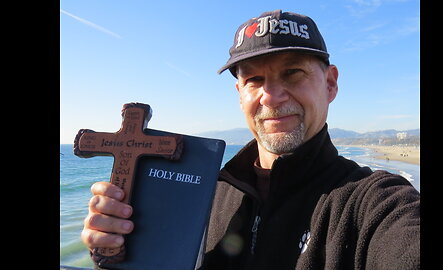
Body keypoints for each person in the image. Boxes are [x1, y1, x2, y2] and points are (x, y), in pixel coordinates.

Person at [81, 10, 420, 269]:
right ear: (239, 93)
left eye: (292, 72)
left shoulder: (373, 203)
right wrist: (117, 249)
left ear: (330, 84)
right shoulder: (203, 194)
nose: (271, 97)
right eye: (254, 80)